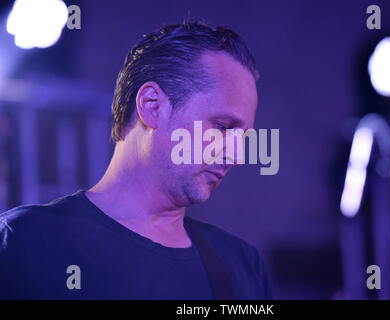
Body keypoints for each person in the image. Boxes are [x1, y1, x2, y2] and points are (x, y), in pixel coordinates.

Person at [0, 21, 273, 299]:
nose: (237, 156)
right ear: (152, 106)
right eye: (224, 127)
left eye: (243, 138)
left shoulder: (241, 267)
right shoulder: (25, 242)